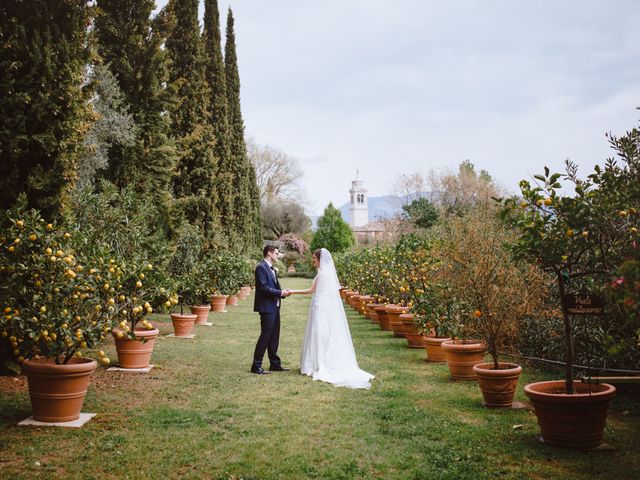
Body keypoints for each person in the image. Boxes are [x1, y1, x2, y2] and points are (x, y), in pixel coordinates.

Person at [289, 248, 374, 389]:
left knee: (318, 334)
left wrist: (292, 291)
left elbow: (311, 291)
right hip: (322, 306)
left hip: (320, 307)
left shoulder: (322, 274)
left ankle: (318, 363)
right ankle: (317, 361)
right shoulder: (326, 273)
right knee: (322, 334)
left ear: (320, 259)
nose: (312, 261)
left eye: (314, 258)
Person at [251, 245, 291, 374]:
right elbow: (263, 288)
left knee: (274, 336)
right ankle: (256, 366)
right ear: (269, 253)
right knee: (265, 336)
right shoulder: (261, 267)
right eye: (276, 253)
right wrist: (280, 293)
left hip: (275, 306)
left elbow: (271, 286)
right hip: (267, 308)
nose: (277, 255)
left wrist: (280, 294)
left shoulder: (271, 268)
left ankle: (274, 364)